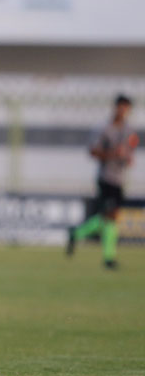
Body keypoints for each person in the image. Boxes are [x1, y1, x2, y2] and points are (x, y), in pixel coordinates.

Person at [66, 94, 137, 269]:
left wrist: (127, 158)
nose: (123, 111)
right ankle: (108, 258)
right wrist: (113, 154)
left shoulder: (128, 130)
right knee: (111, 215)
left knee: (110, 216)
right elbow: (93, 151)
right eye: (121, 107)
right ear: (116, 107)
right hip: (106, 178)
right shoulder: (104, 128)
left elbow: (128, 151)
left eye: (126, 108)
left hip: (120, 179)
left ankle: (77, 233)